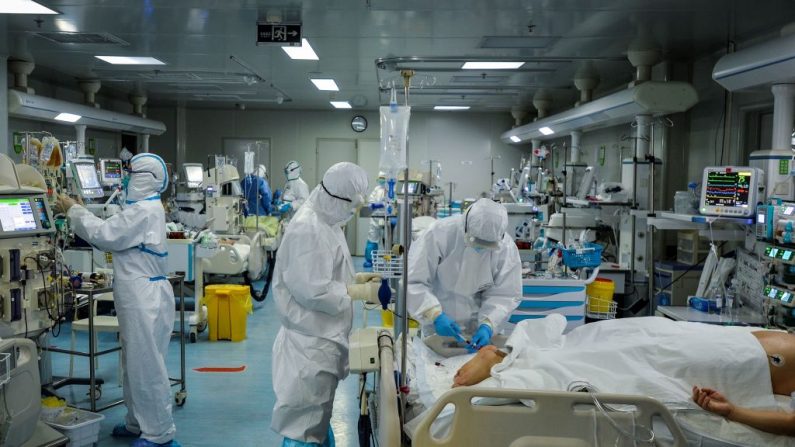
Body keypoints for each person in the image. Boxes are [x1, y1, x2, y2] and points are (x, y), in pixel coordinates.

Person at [452, 315, 795, 437]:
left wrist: (733, 412)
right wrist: (734, 412)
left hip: (737, 351)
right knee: (627, 353)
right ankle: (504, 358)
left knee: (625, 350)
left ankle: (505, 357)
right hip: (734, 353)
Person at [55, 153, 180, 447]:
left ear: (143, 178)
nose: (124, 178)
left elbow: (106, 234)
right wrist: (84, 211)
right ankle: (138, 423)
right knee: (135, 363)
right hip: (142, 294)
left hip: (143, 297)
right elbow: (117, 228)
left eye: (130, 173)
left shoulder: (144, 212)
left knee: (146, 366)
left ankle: (160, 435)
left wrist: (74, 211)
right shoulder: (144, 209)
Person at [271, 162, 378, 447]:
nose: (353, 213)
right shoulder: (309, 228)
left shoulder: (329, 221)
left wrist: (358, 278)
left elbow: (331, 270)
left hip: (321, 337)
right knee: (303, 427)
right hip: (309, 343)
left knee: (315, 419)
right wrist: (359, 291)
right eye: (352, 206)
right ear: (337, 199)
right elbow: (313, 291)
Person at [407, 198, 522, 352]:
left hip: (479, 332)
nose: (480, 250)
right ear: (466, 227)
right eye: (477, 242)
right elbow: (414, 281)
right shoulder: (438, 233)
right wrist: (434, 314)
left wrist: (488, 324)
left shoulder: (506, 248)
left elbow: (505, 294)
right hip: (437, 328)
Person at [363, 174, 386, 269]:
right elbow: (371, 200)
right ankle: (370, 260)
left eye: (383, 178)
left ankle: (389, 260)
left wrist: (381, 205)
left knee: (388, 240)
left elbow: (392, 201)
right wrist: (373, 205)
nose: (381, 180)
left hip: (386, 217)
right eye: (380, 178)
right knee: (372, 238)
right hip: (375, 216)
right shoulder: (376, 189)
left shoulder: (391, 189)